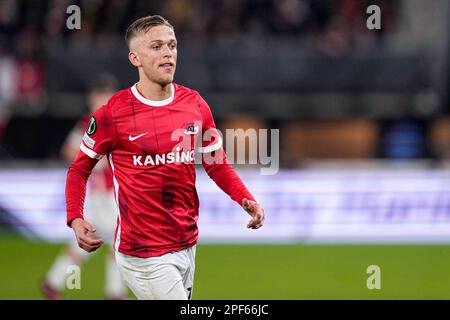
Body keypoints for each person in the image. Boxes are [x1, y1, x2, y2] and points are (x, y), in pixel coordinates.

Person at [65, 15, 265, 300]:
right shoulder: (112, 113)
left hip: (186, 242)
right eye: (156, 46)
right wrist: (75, 217)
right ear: (135, 58)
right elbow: (79, 170)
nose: (168, 52)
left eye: (172, 45)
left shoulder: (194, 104)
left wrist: (246, 198)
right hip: (143, 252)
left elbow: (216, 163)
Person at [41, 75, 128, 300]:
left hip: (108, 195)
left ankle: (53, 282)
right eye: (100, 95)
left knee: (86, 242)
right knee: (120, 242)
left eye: (107, 95)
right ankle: (115, 293)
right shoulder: (91, 122)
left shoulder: (111, 120)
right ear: (92, 98)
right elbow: (69, 150)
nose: (103, 99)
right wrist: (95, 161)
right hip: (105, 196)